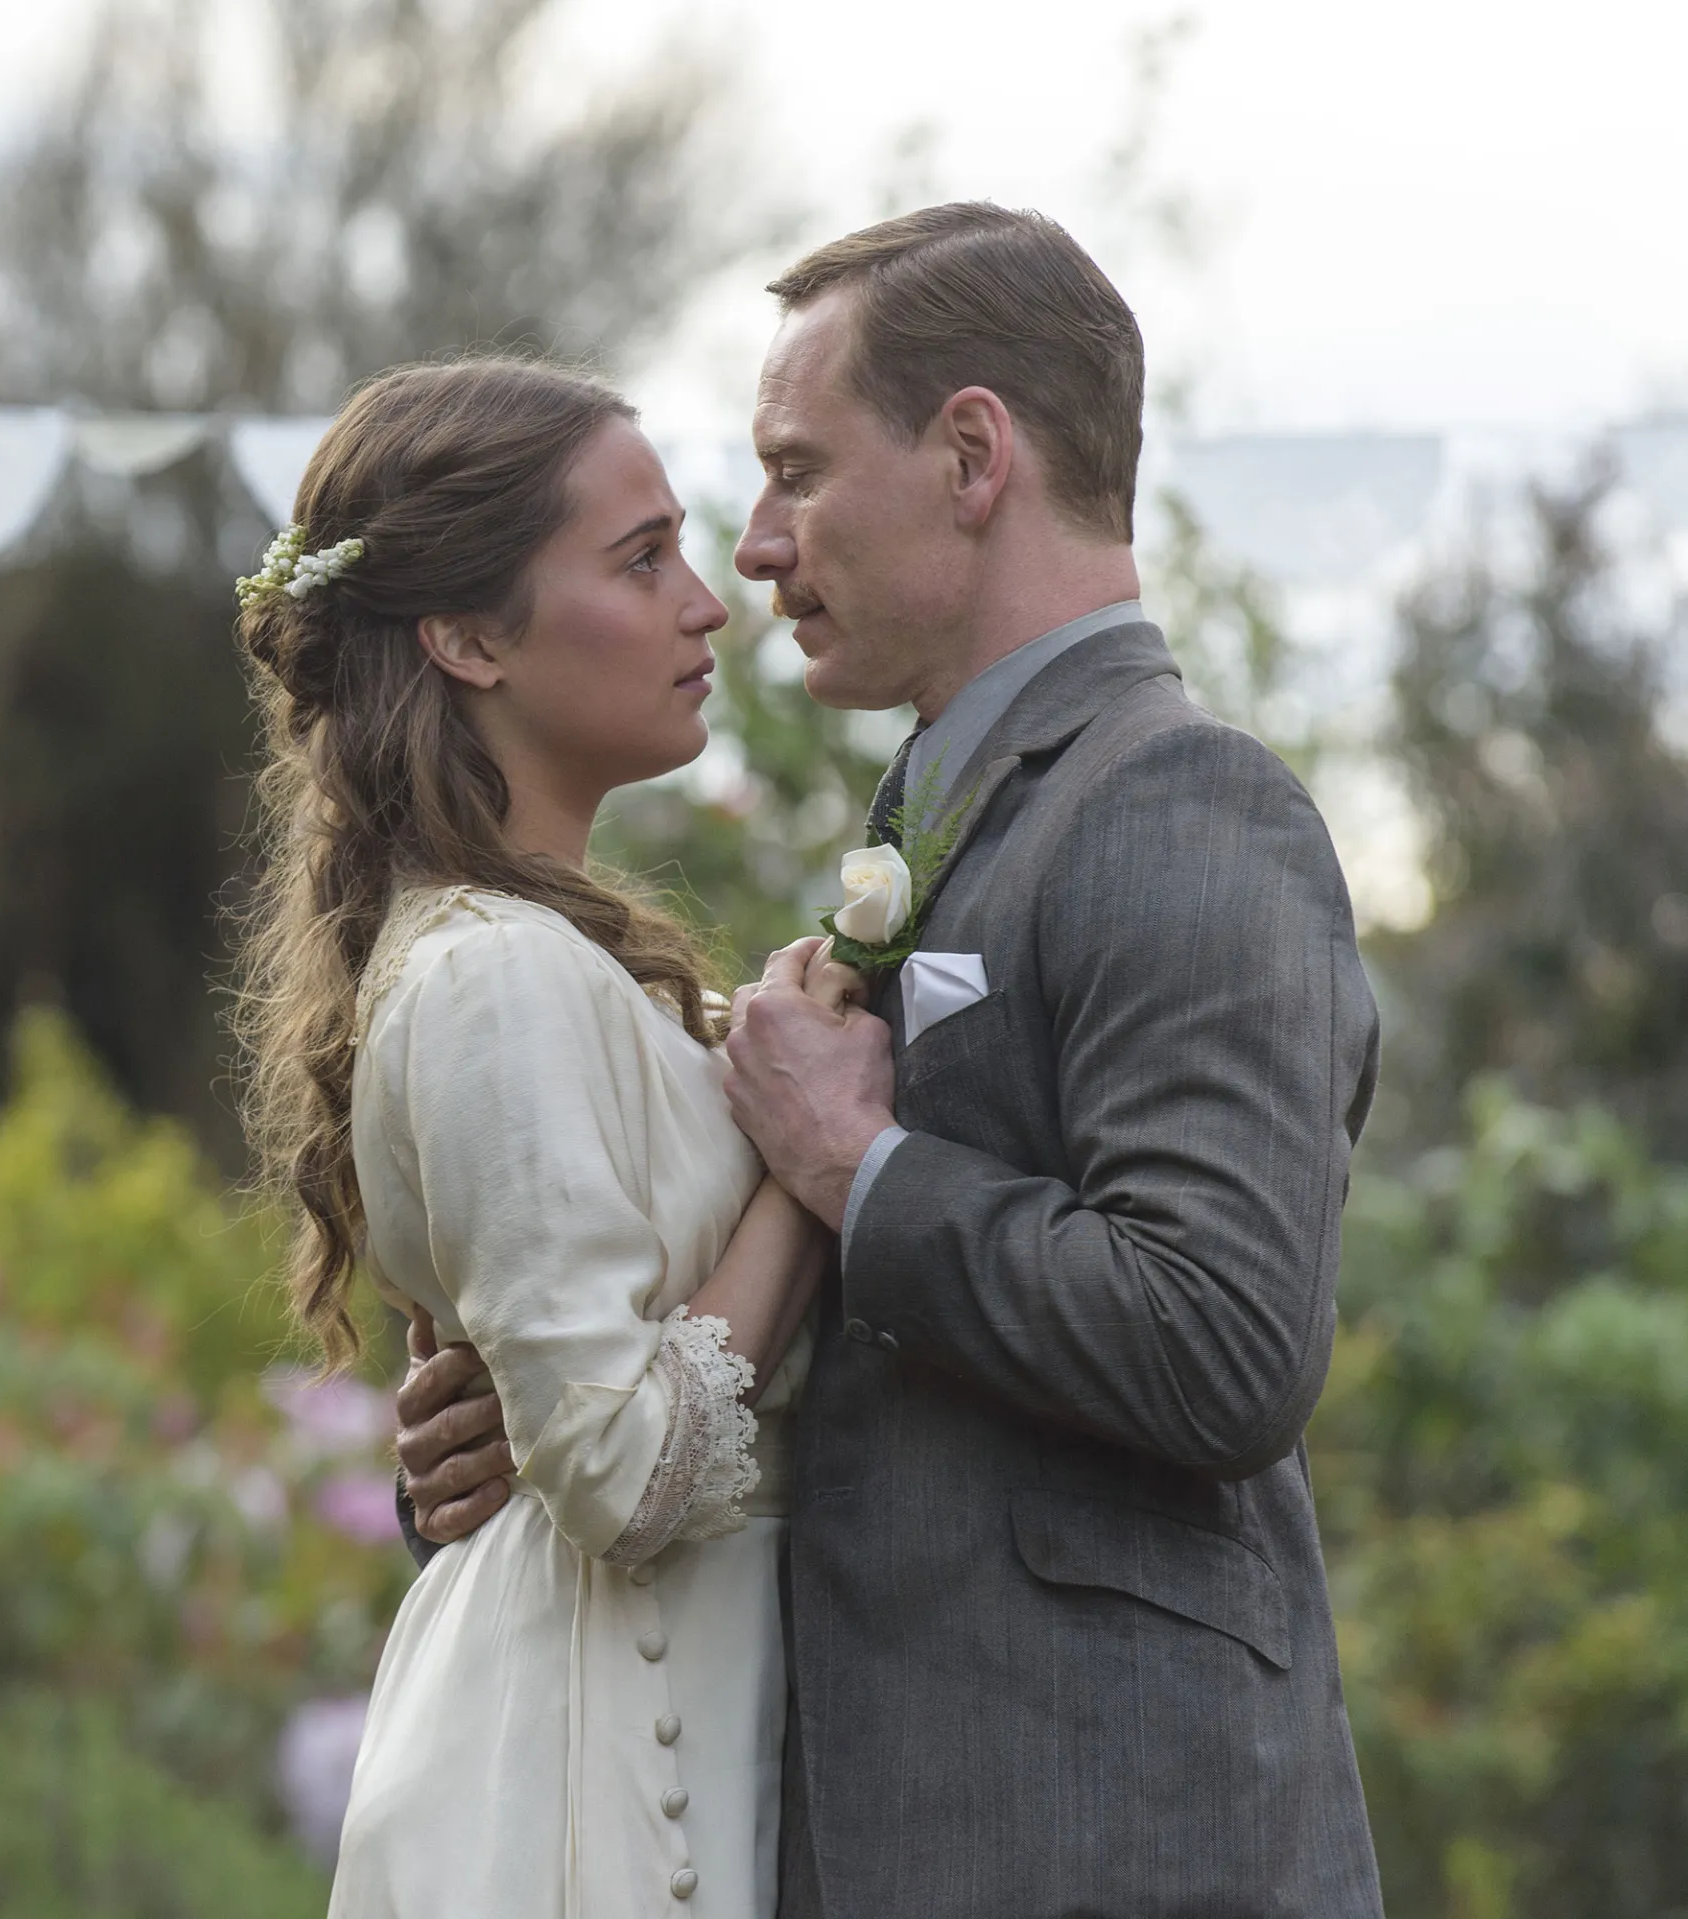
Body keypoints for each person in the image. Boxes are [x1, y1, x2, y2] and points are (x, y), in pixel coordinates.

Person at [395, 204, 1386, 1917]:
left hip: (1106, 1856)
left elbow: (1223, 1339)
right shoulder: (935, 819)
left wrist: (860, 1168)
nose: (755, 547)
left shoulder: (1181, 800)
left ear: (972, 456)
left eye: (795, 471)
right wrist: (550, 1414)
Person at [233, 357, 863, 1918]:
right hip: (581, 1782)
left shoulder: (551, 960)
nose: (706, 604)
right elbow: (623, 1467)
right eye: (639, 560)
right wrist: (811, 1166)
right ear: (466, 637)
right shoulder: (493, 978)